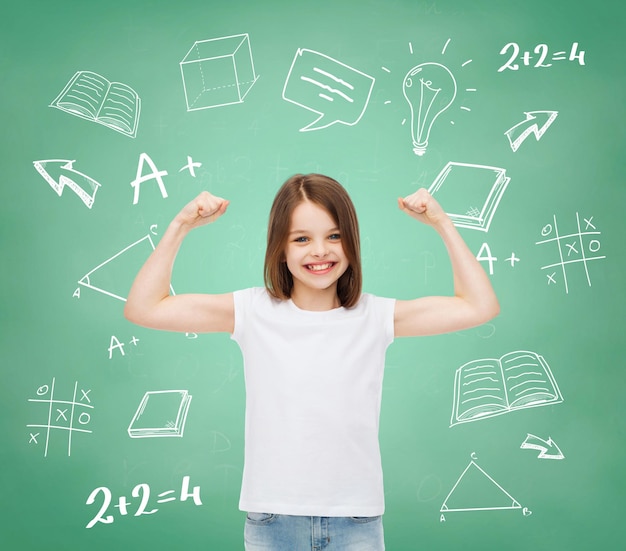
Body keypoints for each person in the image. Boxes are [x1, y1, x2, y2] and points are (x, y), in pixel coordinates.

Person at [124, 173, 499, 551]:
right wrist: (180, 225)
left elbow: (479, 305)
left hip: (357, 520)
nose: (320, 251)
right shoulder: (252, 311)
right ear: (280, 249)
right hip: (273, 520)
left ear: (351, 243)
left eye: (334, 236)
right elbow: (144, 307)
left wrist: (442, 223)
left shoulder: (376, 316)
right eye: (301, 238)